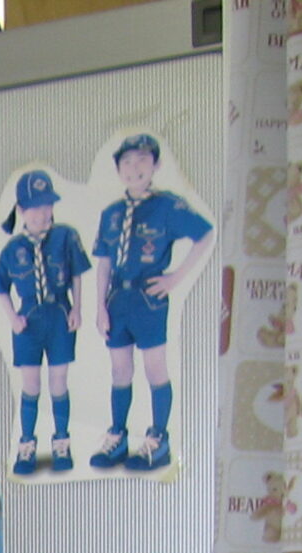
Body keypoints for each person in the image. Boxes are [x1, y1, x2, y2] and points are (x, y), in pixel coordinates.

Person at [91, 134, 212, 473]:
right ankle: (118, 436)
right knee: (120, 369)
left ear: (156, 165)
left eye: (143, 160)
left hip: (149, 298)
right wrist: (100, 307)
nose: (135, 168)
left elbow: (204, 234)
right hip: (118, 298)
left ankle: (158, 438)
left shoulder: (167, 206)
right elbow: (103, 263)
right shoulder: (112, 213)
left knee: (154, 367)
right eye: (127, 162)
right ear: (118, 169)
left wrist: (175, 278)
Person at [0, 169, 90, 476]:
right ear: (21, 210)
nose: (42, 213)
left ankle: (61, 442)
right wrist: (12, 318)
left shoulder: (66, 236)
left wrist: (77, 308)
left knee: (58, 381)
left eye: (47, 205)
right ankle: (27, 444)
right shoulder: (13, 248)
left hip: (59, 315)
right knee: (31, 384)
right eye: (34, 207)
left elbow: (76, 274)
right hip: (29, 322)